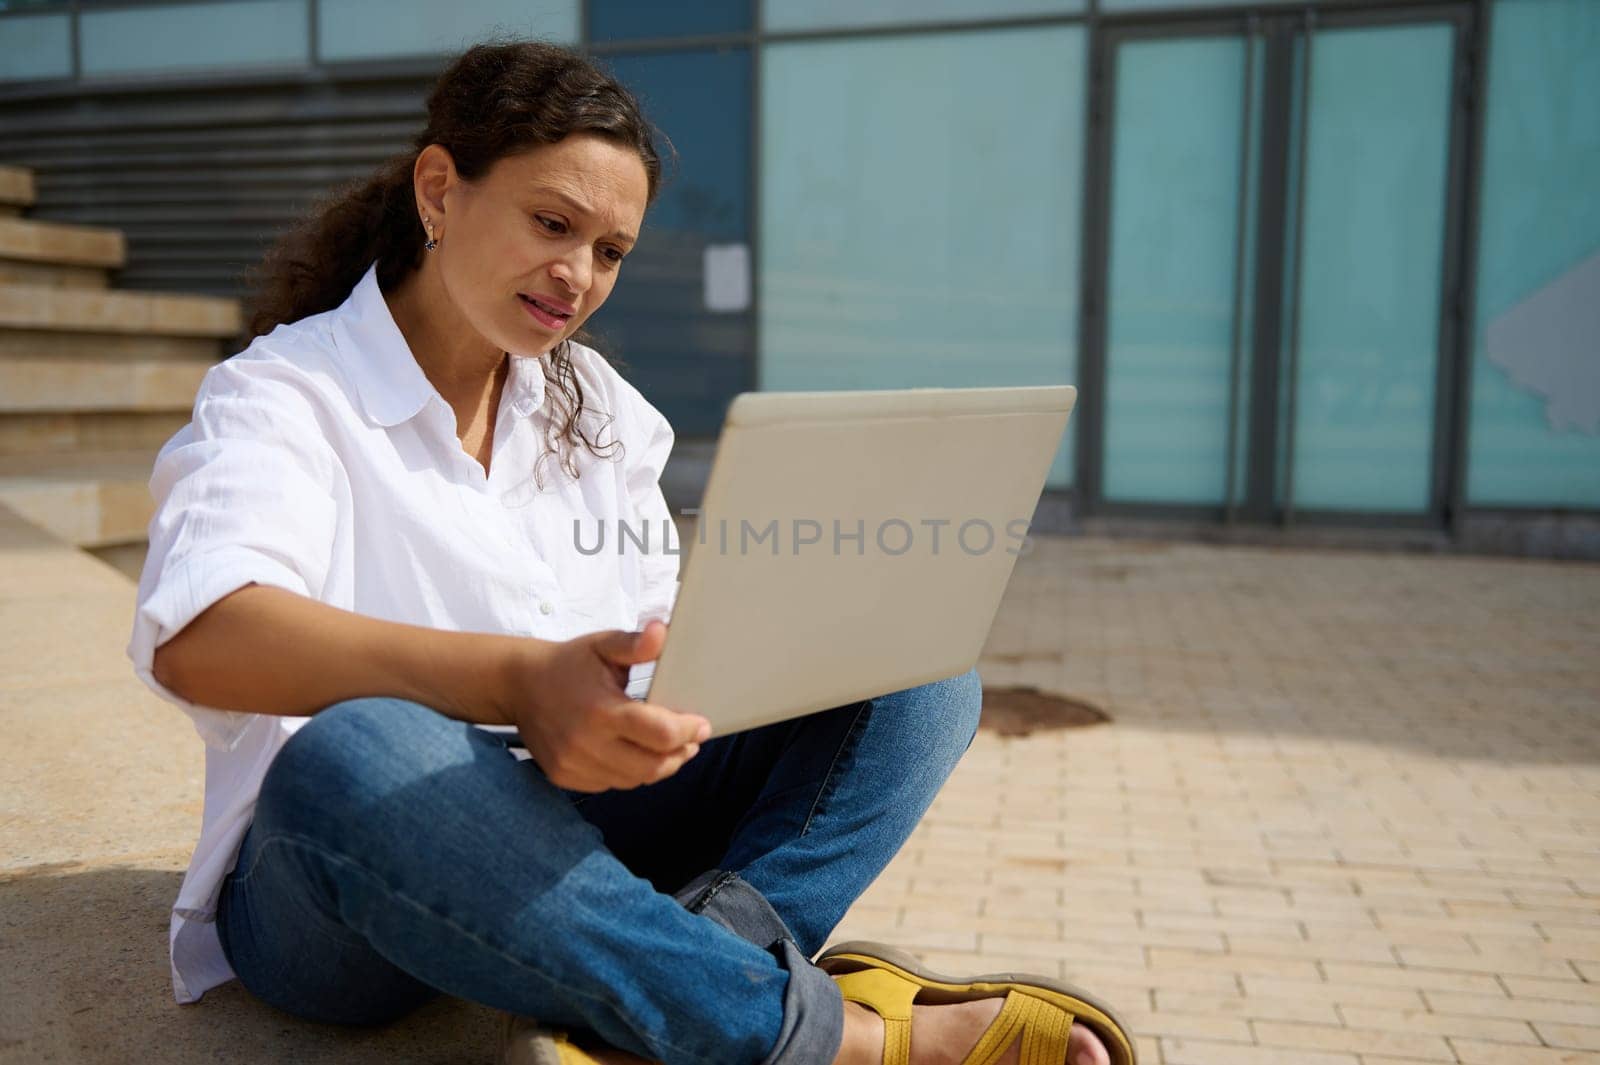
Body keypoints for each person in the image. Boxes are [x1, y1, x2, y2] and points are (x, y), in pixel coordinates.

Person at [126, 39, 1132, 1065]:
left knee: (919, 672)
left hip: (583, 833)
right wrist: (519, 684)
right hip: (347, 875)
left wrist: (694, 681)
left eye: (610, 252)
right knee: (362, 745)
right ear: (441, 190)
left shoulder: (599, 411)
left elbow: (661, 649)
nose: (577, 277)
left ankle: (676, 995)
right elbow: (200, 637)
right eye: (552, 224)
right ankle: (840, 1041)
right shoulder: (286, 394)